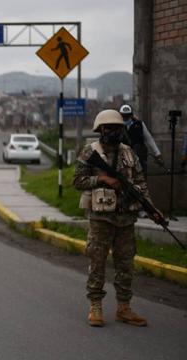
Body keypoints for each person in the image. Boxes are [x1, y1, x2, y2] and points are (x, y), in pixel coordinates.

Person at [73, 109, 162, 328]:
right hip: (101, 218)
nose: (112, 131)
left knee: (125, 264)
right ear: (100, 129)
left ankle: (124, 308)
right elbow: (77, 181)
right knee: (98, 262)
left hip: (126, 219)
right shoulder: (90, 151)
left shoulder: (129, 153)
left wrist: (150, 208)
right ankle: (95, 306)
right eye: (108, 127)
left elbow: (140, 183)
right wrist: (102, 180)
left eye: (116, 127)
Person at [119, 104, 163, 174]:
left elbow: (149, 139)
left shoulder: (139, 124)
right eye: (123, 116)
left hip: (139, 157)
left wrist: (157, 153)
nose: (125, 118)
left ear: (131, 115)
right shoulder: (118, 127)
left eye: (127, 116)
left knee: (140, 176)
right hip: (123, 157)